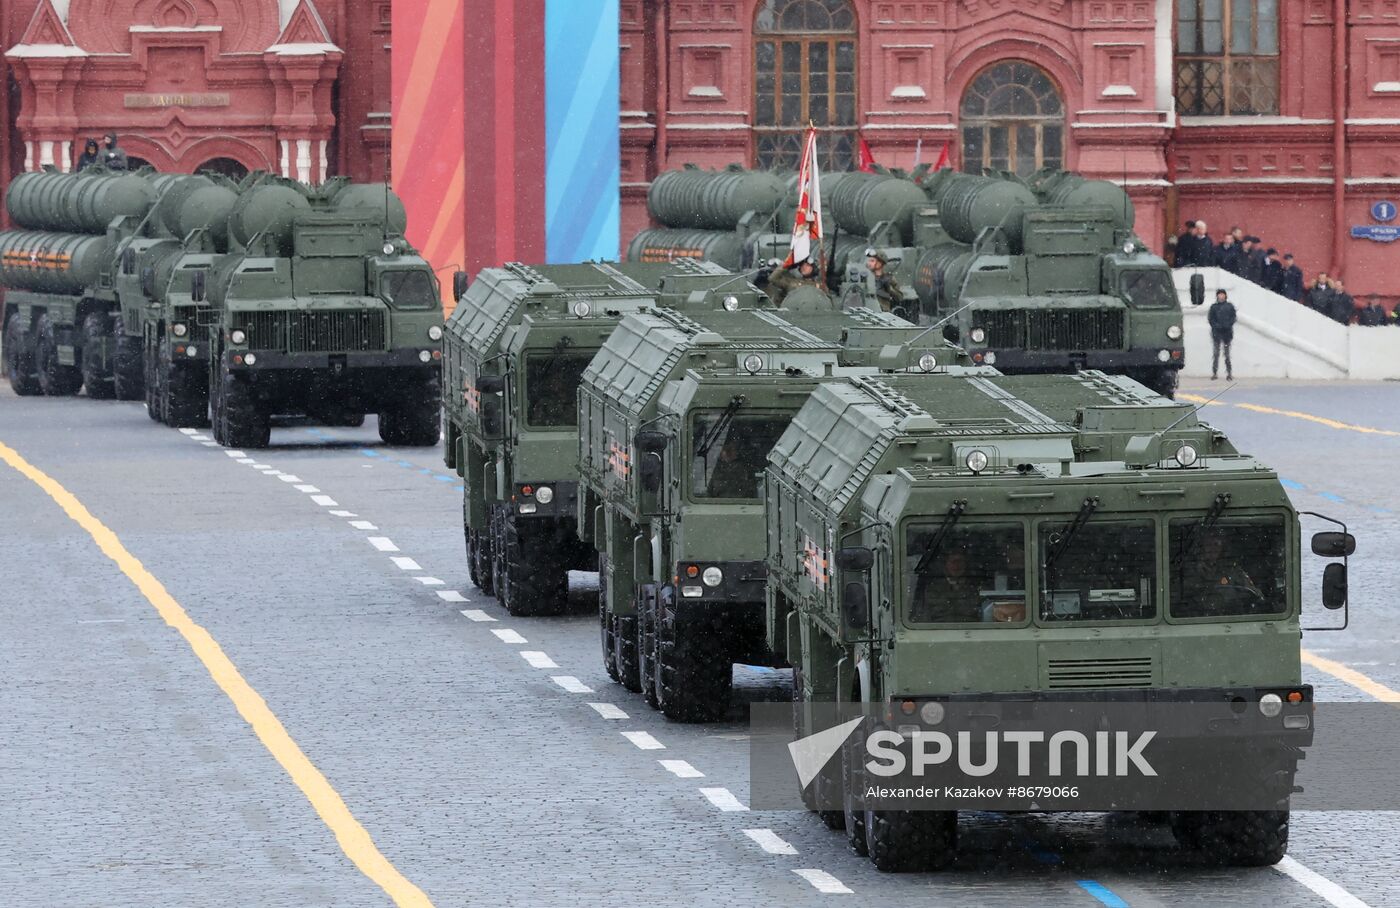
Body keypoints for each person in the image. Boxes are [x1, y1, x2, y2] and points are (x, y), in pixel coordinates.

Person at [861, 248, 904, 313]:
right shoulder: (865, 276)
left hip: (883, 314)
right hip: (867, 312)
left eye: (873, 261)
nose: (869, 263)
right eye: (870, 260)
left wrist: (890, 289)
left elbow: (900, 297)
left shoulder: (889, 278)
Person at [1208, 288, 1237, 381]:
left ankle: (1229, 373)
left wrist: (1227, 325)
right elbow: (1211, 319)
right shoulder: (1214, 307)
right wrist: (1217, 326)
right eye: (1219, 294)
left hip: (1227, 334)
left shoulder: (1229, 306)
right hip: (1217, 333)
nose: (1221, 296)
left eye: (1222, 294)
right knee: (1216, 354)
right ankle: (1214, 372)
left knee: (1227, 354)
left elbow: (1233, 318)